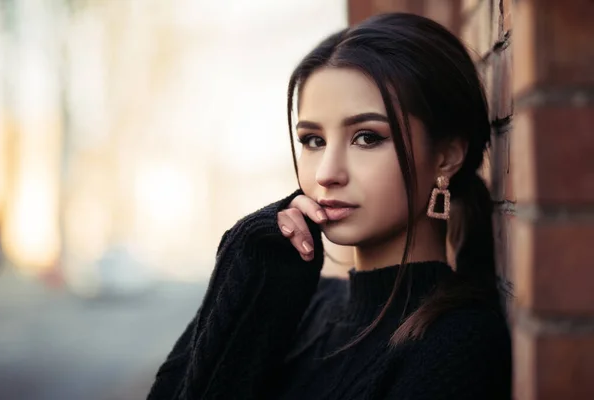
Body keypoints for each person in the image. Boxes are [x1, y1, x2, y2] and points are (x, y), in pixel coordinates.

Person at [147, 12, 512, 400]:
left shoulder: (455, 342)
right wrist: (250, 264)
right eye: (313, 140)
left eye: (367, 137)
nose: (327, 173)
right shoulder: (301, 303)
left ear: (446, 156)